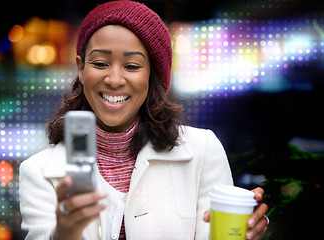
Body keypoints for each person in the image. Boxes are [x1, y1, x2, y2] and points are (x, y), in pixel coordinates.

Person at [19, 1, 268, 239]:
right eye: (100, 63)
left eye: (132, 66)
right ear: (81, 69)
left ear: (152, 75)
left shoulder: (203, 151)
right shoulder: (38, 172)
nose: (114, 79)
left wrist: (242, 231)